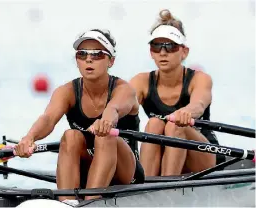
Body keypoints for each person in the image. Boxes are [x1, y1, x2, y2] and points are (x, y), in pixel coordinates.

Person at [14, 28, 144, 205]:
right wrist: (29, 138)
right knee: (70, 136)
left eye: (98, 54)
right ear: (77, 60)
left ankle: (90, 202)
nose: (89, 59)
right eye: (82, 54)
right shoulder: (67, 92)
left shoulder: (124, 89)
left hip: (126, 174)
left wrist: (105, 122)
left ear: (111, 61)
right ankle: (67, 202)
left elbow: (113, 109)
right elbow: (48, 118)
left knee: (105, 135)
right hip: (89, 167)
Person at [129, 9, 226, 177]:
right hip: (164, 154)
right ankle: (146, 188)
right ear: (151, 52)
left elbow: (199, 104)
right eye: (157, 46)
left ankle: (166, 188)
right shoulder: (141, 81)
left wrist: (187, 112)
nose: (163, 52)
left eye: (170, 46)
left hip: (204, 155)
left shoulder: (199, 79)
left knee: (175, 125)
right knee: (154, 124)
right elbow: (123, 103)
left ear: (184, 51)